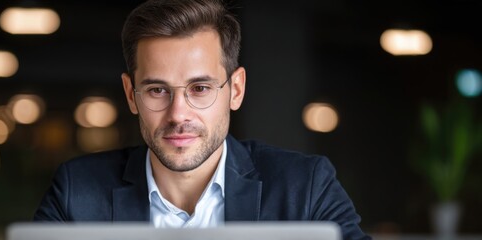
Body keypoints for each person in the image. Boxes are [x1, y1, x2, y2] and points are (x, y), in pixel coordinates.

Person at [33, 0, 371, 239]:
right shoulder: (76, 193)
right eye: (156, 90)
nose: (178, 114)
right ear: (130, 94)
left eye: (200, 88)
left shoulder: (306, 188)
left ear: (235, 90)